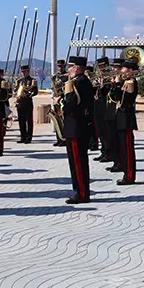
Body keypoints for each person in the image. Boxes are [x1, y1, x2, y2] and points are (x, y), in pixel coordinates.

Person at [62, 56, 94, 204]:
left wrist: (62, 100)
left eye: (71, 66)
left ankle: (81, 193)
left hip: (76, 127)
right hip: (77, 126)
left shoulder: (79, 82)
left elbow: (71, 105)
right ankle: (80, 191)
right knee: (77, 162)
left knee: (77, 162)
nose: (69, 69)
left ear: (78, 67)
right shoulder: (82, 81)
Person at [113, 60, 138, 185]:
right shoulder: (124, 81)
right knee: (122, 148)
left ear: (130, 71)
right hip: (121, 118)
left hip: (126, 119)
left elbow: (124, 98)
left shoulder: (131, 82)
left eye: (123, 68)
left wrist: (117, 85)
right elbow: (114, 96)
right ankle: (125, 172)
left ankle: (129, 175)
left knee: (127, 149)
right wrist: (114, 85)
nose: (121, 71)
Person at [104, 58, 123, 171]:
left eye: (116, 68)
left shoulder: (123, 81)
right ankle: (116, 161)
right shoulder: (115, 80)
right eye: (114, 67)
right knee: (112, 139)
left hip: (117, 114)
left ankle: (120, 163)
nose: (113, 69)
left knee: (118, 141)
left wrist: (116, 83)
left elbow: (117, 96)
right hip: (110, 112)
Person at [14, 65, 38, 143]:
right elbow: (16, 91)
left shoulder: (32, 80)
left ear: (28, 71)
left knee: (29, 120)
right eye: (22, 72)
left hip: (27, 102)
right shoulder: (19, 81)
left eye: (25, 72)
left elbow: (35, 91)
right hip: (20, 102)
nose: (23, 73)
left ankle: (29, 137)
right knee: (21, 121)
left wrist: (28, 94)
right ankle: (22, 137)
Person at [50, 60, 68, 147]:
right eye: (59, 66)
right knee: (57, 120)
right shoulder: (55, 76)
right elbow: (53, 88)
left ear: (64, 66)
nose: (60, 68)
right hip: (56, 99)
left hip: (62, 99)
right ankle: (58, 139)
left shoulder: (67, 76)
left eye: (61, 66)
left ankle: (64, 139)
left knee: (63, 120)